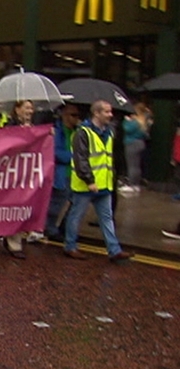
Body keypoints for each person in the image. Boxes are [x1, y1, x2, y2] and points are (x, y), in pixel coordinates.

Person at [63, 100, 133, 262]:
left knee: (106, 218)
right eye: (107, 112)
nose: (110, 115)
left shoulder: (109, 132)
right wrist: (89, 180)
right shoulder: (83, 133)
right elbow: (81, 159)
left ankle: (114, 250)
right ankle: (70, 246)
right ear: (96, 113)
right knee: (76, 216)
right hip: (85, 185)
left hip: (104, 184)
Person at [2, 100, 35, 258]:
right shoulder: (9, 126)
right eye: (27, 107)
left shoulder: (33, 127)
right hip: (11, 174)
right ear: (17, 109)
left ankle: (14, 236)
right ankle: (13, 243)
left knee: (23, 205)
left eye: (31, 108)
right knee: (13, 206)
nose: (30, 111)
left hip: (26, 173)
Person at [45, 104, 81, 242]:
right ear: (65, 115)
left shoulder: (78, 131)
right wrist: (74, 157)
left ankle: (65, 229)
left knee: (75, 204)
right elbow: (55, 152)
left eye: (78, 115)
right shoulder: (57, 131)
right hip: (62, 174)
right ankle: (50, 229)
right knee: (56, 204)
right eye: (73, 115)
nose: (76, 119)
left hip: (77, 175)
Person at [120, 102, 152, 193]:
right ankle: (136, 184)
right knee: (136, 166)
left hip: (132, 143)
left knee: (131, 165)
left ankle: (131, 185)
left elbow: (127, 129)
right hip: (140, 143)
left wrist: (126, 120)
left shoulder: (135, 122)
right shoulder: (144, 121)